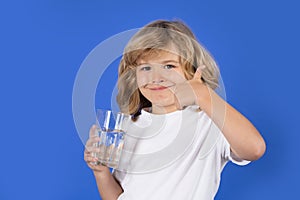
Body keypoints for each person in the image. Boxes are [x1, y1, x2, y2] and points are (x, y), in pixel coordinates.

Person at [84, 19, 266, 200]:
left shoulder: (210, 122)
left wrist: (203, 95)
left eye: (169, 66)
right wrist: (101, 173)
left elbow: (254, 149)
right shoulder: (127, 126)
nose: (156, 77)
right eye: (146, 67)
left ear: (191, 70)